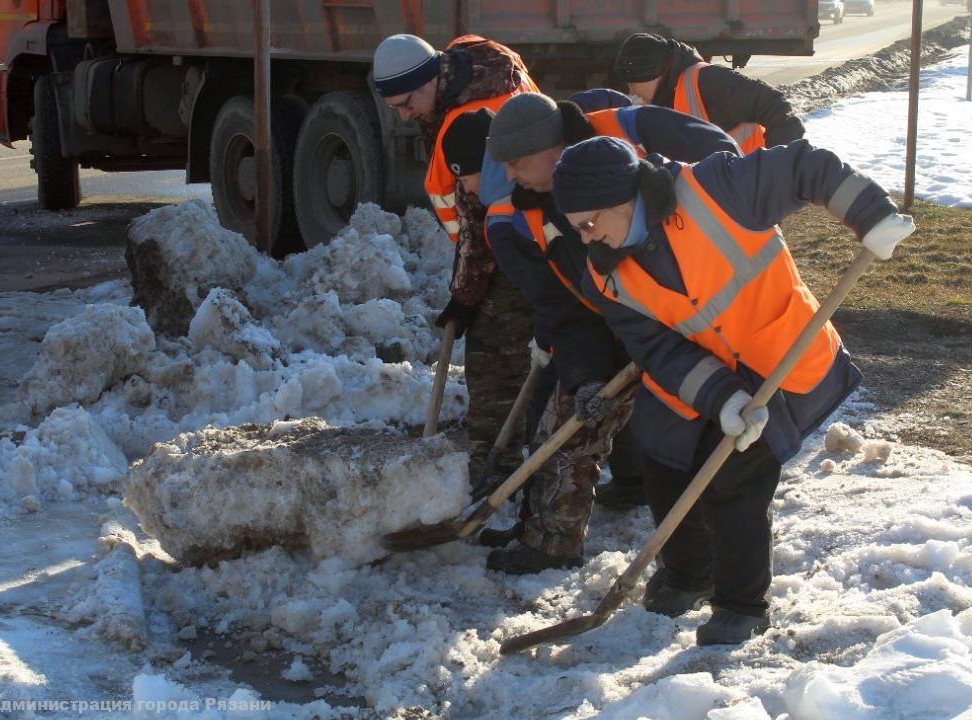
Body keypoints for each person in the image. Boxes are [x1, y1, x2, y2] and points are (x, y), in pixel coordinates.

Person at [552, 136, 914, 645]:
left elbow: (803, 166)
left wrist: (870, 214)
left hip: (776, 359)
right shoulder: (605, 276)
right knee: (659, 455)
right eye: (578, 230)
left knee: (735, 475)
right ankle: (687, 573)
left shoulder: (715, 188)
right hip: (697, 377)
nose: (588, 239)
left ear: (621, 198)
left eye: (590, 224)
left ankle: (741, 604)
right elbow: (659, 350)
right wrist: (720, 397)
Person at [447, 93, 744, 572]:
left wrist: (679, 213)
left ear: (556, 148)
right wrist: (586, 375)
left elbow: (724, 159)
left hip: (688, 307)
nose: (509, 175)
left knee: (675, 435)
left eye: (520, 163)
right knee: (562, 415)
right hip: (609, 319)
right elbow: (562, 308)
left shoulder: (625, 127)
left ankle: (689, 561)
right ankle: (547, 536)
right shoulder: (517, 219)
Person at [372, 33, 536, 482]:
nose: (405, 116)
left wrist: (464, 297)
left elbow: (476, 232)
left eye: (407, 103)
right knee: (535, 360)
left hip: (508, 249)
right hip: (535, 232)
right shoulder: (489, 62)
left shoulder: (463, 129)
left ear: (430, 79)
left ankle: (493, 473)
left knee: (491, 359)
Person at [614, 32, 804, 154]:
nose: (631, 92)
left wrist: (776, 166)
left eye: (632, 83)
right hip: (723, 198)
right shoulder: (663, 101)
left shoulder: (708, 80)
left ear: (653, 75)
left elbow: (776, 106)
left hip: (752, 195)